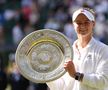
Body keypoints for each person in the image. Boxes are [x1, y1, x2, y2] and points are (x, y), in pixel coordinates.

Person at [46, 7, 108, 90]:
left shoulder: (103, 49)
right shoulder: (68, 52)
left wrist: (76, 75)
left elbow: (104, 82)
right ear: (73, 25)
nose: (82, 26)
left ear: (93, 24)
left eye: (86, 22)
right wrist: (46, 75)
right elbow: (61, 87)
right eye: (78, 23)